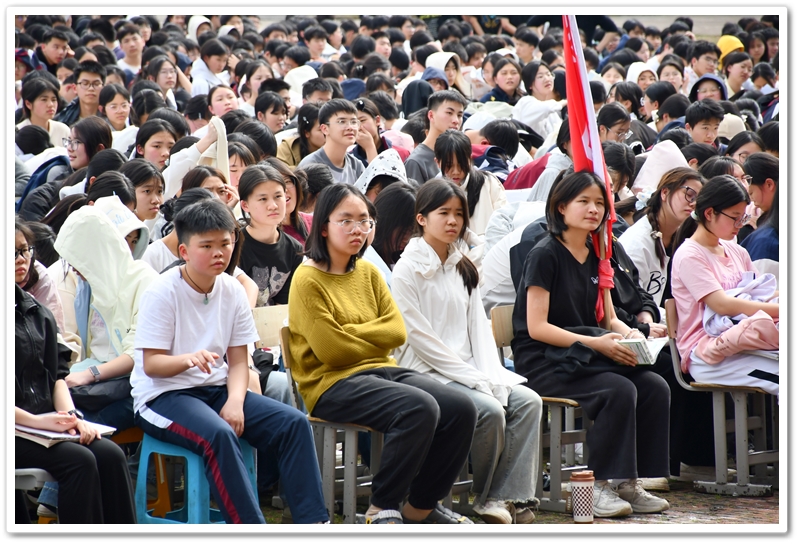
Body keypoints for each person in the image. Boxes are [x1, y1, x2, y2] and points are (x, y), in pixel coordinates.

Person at [130, 198, 329, 524]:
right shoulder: (162, 292)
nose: (218, 253)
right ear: (184, 251)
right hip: (162, 396)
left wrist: (236, 401)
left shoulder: (232, 290)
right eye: (206, 246)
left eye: (225, 243)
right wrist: (188, 360)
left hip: (216, 390)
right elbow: (152, 366)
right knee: (220, 435)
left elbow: (238, 361)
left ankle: (315, 524)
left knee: (293, 424)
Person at [287, 183, 477, 524]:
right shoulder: (307, 278)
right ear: (324, 226)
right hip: (330, 384)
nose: (358, 229)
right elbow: (332, 352)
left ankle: (420, 508)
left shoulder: (369, 272)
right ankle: (382, 506)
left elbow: (396, 333)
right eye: (346, 220)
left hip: (381, 370)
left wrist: (349, 331)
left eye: (364, 220)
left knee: (461, 408)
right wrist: (368, 335)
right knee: (419, 407)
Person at [511, 169, 671, 518]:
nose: (593, 209)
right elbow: (537, 327)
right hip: (545, 360)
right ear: (561, 206)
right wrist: (597, 344)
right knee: (618, 390)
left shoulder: (599, 253)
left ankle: (628, 482)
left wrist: (630, 335)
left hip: (584, 354)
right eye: (583, 201)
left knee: (654, 386)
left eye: (600, 202)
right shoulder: (544, 254)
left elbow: (608, 318)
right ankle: (596, 485)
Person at [391, 179, 542, 524]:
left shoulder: (463, 266)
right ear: (421, 218)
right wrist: (474, 379)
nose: (453, 221)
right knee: (489, 410)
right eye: (443, 212)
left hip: (469, 368)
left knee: (528, 401)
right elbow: (420, 339)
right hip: (426, 371)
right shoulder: (406, 269)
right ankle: (486, 497)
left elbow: (478, 331)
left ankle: (507, 496)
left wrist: (489, 375)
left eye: (459, 213)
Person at [15, 279, 136, 525]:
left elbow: (57, 378)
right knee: (79, 461)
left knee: (111, 455)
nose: (20, 261)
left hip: (40, 428)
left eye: (25, 255)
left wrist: (72, 418)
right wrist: (36, 421)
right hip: (17, 430)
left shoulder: (36, 311)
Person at [671, 176, 778, 396]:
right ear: (709, 213)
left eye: (743, 217)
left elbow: (762, 293)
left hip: (742, 343)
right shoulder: (689, 255)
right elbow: (721, 304)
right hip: (707, 354)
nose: (740, 225)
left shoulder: (737, 251)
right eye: (735, 218)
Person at [238, 164, 304, 307]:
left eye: (278, 196)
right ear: (245, 205)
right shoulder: (234, 245)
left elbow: (283, 305)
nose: (273, 205)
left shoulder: (294, 249)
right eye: (263, 199)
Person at [433, 130, 507, 238]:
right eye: (449, 166)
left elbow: (503, 222)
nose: (456, 171)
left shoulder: (489, 183)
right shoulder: (432, 193)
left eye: (461, 164)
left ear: (470, 159)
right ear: (437, 162)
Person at [405, 90, 467, 185]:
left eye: (459, 115)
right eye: (449, 113)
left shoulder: (461, 152)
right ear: (431, 115)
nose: (456, 120)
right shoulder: (416, 161)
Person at [297, 99, 365, 185]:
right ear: (324, 129)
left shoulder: (357, 166)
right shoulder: (310, 165)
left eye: (353, 122)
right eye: (342, 122)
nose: (350, 127)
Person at [263, 158, 313, 246]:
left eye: (287, 181)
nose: (284, 190)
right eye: (276, 185)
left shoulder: (314, 223)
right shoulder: (259, 236)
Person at [17, 77, 71, 148]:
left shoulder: (63, 130)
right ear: (28, 104)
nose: (51, 104)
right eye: (44, 100)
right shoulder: (18, 132)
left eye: (53, 100)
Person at [54, 60, 107, 127]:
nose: (91, 88)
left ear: (103, 87)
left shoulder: (112, 116)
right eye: (85, 83)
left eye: (96, 84)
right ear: (74, 88)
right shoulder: (63, 119)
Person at [276, 102, 324, 168]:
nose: (328, 133)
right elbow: (279, 170)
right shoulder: (288, 148)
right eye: (321, 129)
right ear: (306, 132)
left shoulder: (336, 146)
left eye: (329, 128)